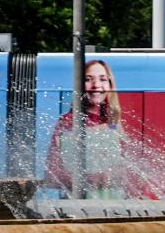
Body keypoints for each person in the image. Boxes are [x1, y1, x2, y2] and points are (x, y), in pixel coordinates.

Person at [44, 59, 131, 199]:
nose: (96, 85)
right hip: (78, 206)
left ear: (110, 84)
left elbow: (131, 172)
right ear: (80, 86)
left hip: (115, 206)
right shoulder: (67, 122)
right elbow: (52, 174)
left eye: (103, 79)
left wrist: (116, 174)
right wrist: (91, 177)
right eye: (88, 79)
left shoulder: (116, 122)